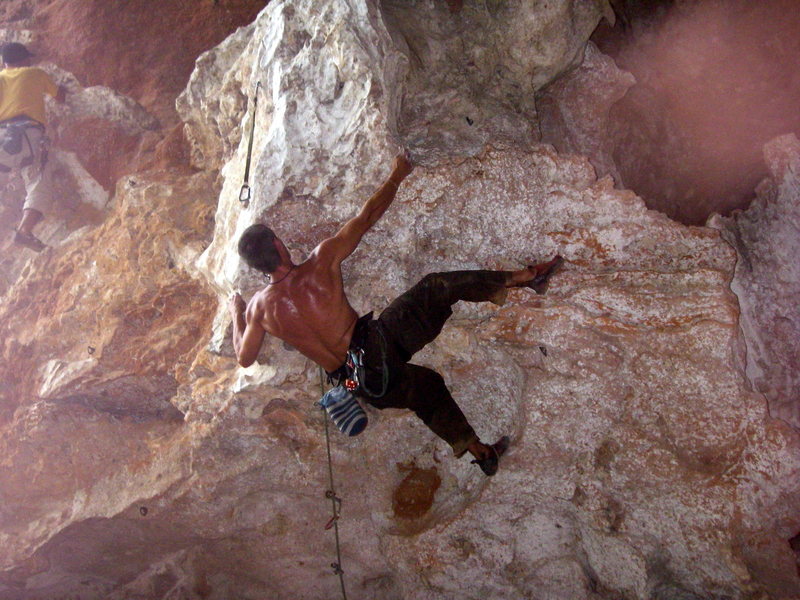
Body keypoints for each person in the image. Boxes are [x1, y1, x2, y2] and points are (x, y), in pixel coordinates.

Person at [230, 152, 563, 476]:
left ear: (258, 266)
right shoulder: (320, 262)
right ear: (277, 244)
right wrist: (397, 173)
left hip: (360, 383)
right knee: (435, 288)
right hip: (378, 345)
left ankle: (482, 453)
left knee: (427, 390)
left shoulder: (259, 310)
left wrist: (236, 311)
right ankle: (527, 277)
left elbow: (244, 358)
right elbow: (367, 216)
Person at [0, 42, 66, 251]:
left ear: (4, 62)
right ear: (25, 59)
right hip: (24, 134)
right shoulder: (35, 73)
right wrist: (63, 87)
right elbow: (60, 96)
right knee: (38, 179)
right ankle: (24, 231)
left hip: (2, 137)